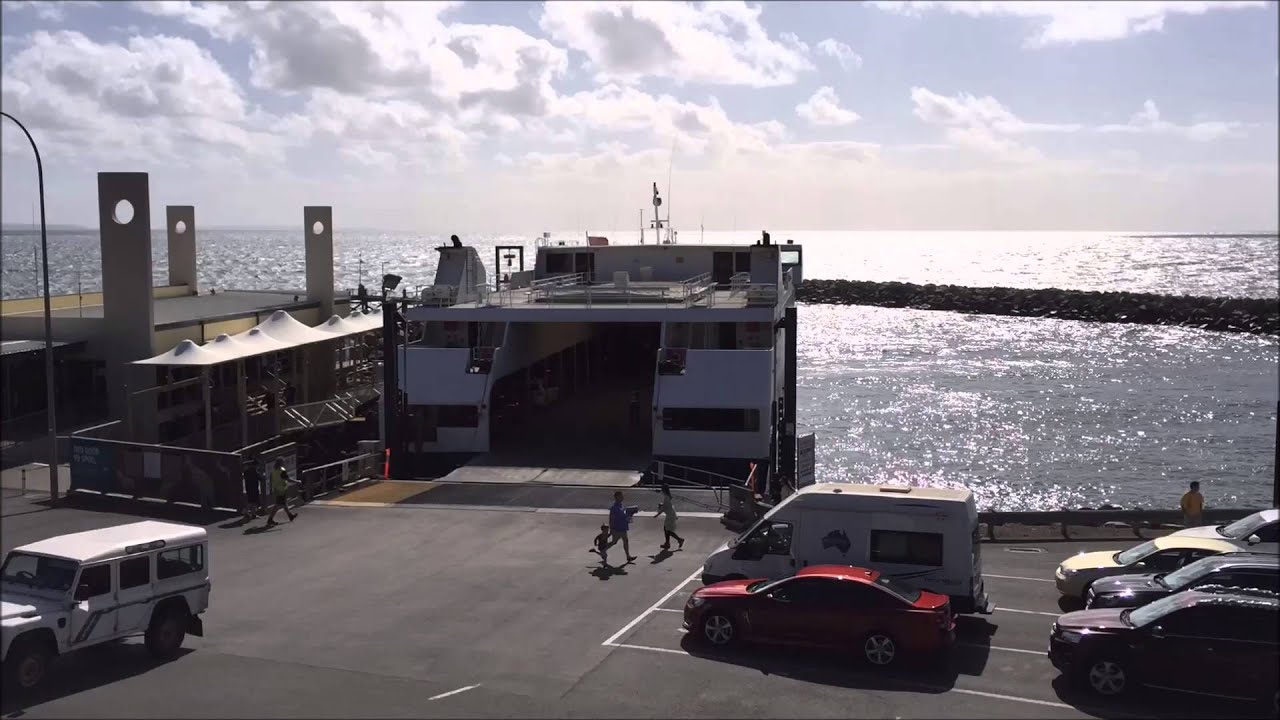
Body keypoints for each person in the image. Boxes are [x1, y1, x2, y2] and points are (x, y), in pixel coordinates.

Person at [266, 459, 298, 526]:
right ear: (281, 463)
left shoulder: (274, 471)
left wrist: (271, 490)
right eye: (283, 462)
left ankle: (290, 516)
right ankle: (270, 519)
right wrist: (297, 481)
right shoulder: (282, 470)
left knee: (284, 503)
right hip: (281, 490)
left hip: (276, 489)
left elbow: (271, 479)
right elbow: (287, 479)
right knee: (278, 505)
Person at [608, 491, 637, 562]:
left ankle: (628, 556)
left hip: (623, 526)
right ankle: (603, 548)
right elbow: (611, 518)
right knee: (614, 542)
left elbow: (623, 515)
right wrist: (611, 529)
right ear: (616, 497)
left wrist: (629, 516)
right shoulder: (614, 508)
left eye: (622, 496)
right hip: (617, 528)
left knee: (625, 541)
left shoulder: (621, 505)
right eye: (621, 496)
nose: (622, 497)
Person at [655, 485, 684, 550]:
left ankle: (679, 540)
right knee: (666, 529)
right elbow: (668, 505)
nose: (661, 491)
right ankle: (667, 543)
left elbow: (664, 508)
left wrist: (657, 515)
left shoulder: (666, 498)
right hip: (670, 514)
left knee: (668, 530)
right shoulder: (667, 496)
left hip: (670, 516)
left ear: (664, 490)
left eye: (662, 489)